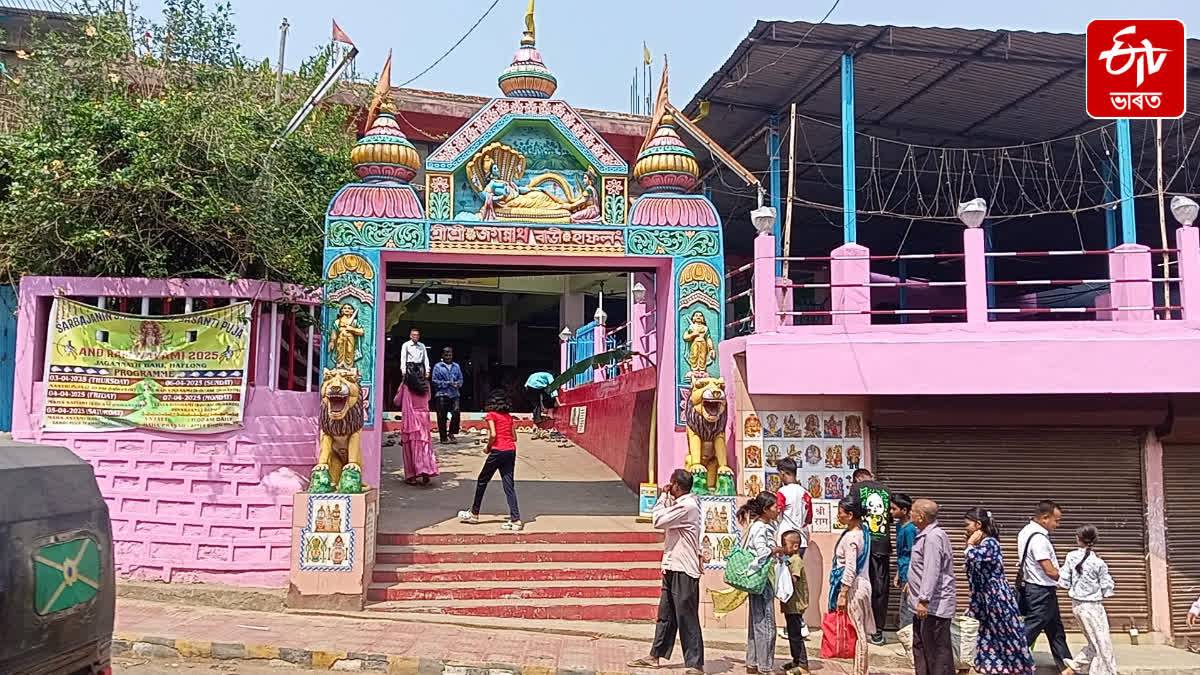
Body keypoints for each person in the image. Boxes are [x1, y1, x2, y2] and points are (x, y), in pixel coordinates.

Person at [627, 469, 704, 675]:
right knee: (666, 614)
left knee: (687, 616)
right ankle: (656, 654)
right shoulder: (681, 505)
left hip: (684, 568)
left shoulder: (688, 506)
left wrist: (662, 496)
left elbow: (658, 521)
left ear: (677, 486)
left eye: (672, 485)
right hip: (671, 564)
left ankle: (695, 662)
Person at [964, 507, 1035, 675]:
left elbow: (973, 556)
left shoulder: (990, 543)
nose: (965, 528)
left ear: (978, 525)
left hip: (996, 599)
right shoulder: (981, 544)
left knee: (1006, 633)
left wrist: (969, 544)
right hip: (982, 600)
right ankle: (991, 665)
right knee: (986, 633)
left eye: (967, 525)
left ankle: (1019, 667)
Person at [1017, 500, 1071, 672]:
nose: (1058, 524)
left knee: (1055, 629)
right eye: (1057, 520)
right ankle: (1007, 656)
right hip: (1041, 591)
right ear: (1045, 518)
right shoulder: (1039, 539)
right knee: (1032, 627)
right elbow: (1048, 570)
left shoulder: (1026, 531)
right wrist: (1069, 577)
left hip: (1037, 589)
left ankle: (1066, 665)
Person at [457, 388, 522, 531]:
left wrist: (487, 448)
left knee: (482, 480)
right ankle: (516, 519)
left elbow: (493, 434)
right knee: (508, 484)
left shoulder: (491, 415)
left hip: (497, 451)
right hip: (510, 450)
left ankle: (474, 513)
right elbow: (514, 437)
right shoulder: (509, 417)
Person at [1059, 525, 1117, 675]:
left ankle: (1071, 669)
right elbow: (1107, 587)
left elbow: (1063, 581)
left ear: (1078, 540)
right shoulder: (1099, 563)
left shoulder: (1071, 557)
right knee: (1103, 646)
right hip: (1093, 607)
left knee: (1095, 644)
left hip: (1077, 606)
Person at [738, 491, 785, 675]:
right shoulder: (760, 528)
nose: (778, 509)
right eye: (774, 507)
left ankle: (753, 661)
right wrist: (779, 549)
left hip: (759, 578)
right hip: (761, 578)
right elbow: (762, 551)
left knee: (756, 622)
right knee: (766, 624)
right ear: (766, 509)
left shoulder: (763, 525)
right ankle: (764, 666)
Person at [908, 499, 956, 675]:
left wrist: (924, 599)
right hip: (922, 605)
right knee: (922, 646)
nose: (910, 514)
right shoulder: (924, 534)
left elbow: (931, 570)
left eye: (912, 511)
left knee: (937, 652)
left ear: (920, 516)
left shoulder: (933, 538)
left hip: (933, 607)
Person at [849, 468, 891, 645]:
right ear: (870, 475)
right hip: (883, 544)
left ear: (857, 478)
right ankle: (878, 631)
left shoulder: (857, 488)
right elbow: (888, 517)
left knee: (859, 586)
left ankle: (859, 627)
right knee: (880, 588)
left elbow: (851, 511)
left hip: (863, 544)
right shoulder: (886, 490)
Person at [833, 496, 873, 675]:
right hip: (863, 584)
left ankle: (860, 671)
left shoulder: (851, 538)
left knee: (859, 632)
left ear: (850, 515)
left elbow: (850, 568)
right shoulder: (863, 531)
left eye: (840, 513)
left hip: (854, 587)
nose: (838, 516)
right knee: (860, 630)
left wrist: (842, 593)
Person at [775, 458, 813, 640]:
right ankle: (798, 623)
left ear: (783, 473)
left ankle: (796, 624)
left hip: (786, 541)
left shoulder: (782, 492)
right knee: (796, 583)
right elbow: (809, 519)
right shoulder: (806, 493)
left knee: (786, 582)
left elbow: (776, 512)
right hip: (802, 540)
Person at [396, 362, 438, 485]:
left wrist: (402, 384)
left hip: (410, 419)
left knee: (409, 448)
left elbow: (397, 401)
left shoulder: (405, 386)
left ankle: (411, 476)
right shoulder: (426, 385)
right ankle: (425, 472)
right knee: (424, 446)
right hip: (424, 418)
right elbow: (428, 398)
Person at [778, 530, 810, 675]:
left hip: (796, 605)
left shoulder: (796, 560)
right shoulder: (789, 559)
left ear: (796, 546)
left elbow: (793, 579)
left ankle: (803, 664)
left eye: (785, 545)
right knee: (792, 634)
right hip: (790, 606)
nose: (783, 548)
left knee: (796, 635)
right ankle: (795, 660)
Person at [891, 493, 917, 629]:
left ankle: (910, 644)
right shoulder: (899, 526)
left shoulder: (910, 530)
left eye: (894, 509)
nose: (891, 512)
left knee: (907, 610)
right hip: (903, 571)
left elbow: (914, 555)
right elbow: (901, 553)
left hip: (909, 574)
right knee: (904, 608)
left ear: (904, 510)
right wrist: (898, 572)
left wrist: (910, 579)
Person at [431, 347, 463, 444]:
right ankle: (443, 437)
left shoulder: (456, 366)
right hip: (442, 393)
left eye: (450, 354)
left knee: (456, 412)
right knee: (442, 416)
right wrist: (448, 383)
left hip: (454, 393)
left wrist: (458, 384)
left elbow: (461, 379)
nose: (448, 356)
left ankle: (452, 433)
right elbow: (434, 381)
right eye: (446, 354)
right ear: (442, 355)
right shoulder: (437, 367)